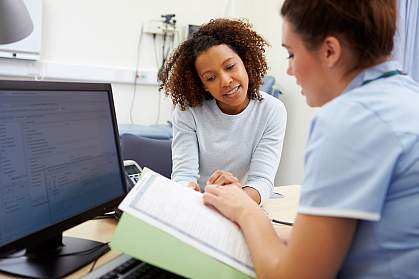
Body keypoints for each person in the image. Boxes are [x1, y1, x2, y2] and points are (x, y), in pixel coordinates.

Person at [203, 0, 419, 278]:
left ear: (329, 51)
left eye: (291, 54)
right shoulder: (406, 94)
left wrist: (246, 211)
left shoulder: (349, 121)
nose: (290, 70)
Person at [158, 19, 287, 204]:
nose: (225, 81)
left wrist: (234, 200)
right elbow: (183, 174)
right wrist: (186, 191)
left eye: (230, 66)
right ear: (202, 85)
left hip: (241, 203)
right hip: (199, 205)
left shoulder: (272, 110)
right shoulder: (188, 110)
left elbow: (262, 181)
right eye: (211, 78)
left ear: (245, 61)